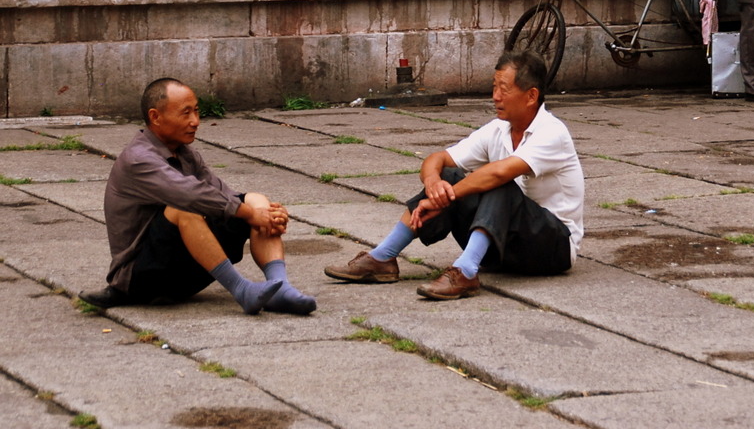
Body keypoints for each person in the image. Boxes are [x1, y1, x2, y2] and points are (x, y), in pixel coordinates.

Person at [324, 50, 583, 300]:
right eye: (494, 87)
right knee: (449, 174)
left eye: (504, 89)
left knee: (497, 182)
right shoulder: (497, 130)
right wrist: (434, 184)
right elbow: (438, 159)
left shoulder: (552, 133)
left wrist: (444, 198)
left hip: (551, 249)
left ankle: (466, 271)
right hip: (503, 249)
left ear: (531, 96)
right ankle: (383, 257)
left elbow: (499, 173)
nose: (495, 96)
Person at [80, 78, 316, 314]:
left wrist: (266, 213)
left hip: (182, 270)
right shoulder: (138, 158)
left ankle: (281, 288)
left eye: (196, 111)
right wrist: (250, 214)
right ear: (155, 117)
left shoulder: (186, 153)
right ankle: (242, 289)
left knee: (255, 200)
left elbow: (222, 194)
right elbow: (189, 195)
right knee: (185, 208)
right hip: (142, 278)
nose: (195, 121)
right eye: (185, 113)